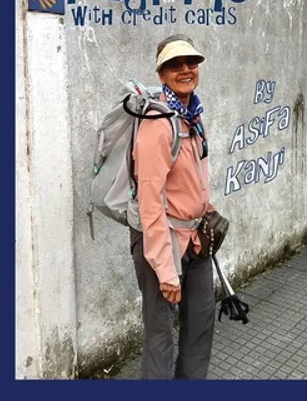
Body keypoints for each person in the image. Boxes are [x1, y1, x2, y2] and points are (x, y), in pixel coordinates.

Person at [129, 34, 217, 379]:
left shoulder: (193, 116)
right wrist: (166, 271)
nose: (185, 69)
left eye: (190, 62)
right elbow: (150, 203)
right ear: (161, 73)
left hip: (195, 241)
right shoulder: (157, 124)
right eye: (174, 64)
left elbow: (197, 176)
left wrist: (208, 211)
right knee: (160, 337)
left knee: (200, 326)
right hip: (160, 243)